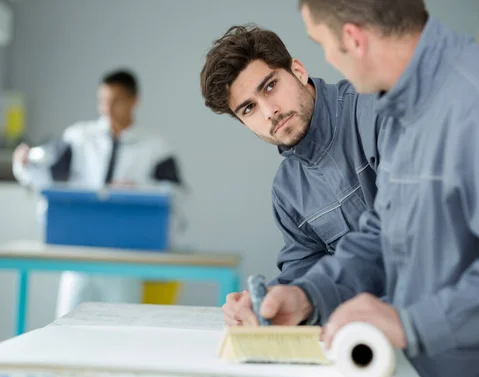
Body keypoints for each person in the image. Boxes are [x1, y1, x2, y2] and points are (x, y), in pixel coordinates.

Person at [254, 0, 479, 377]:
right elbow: (385, 234)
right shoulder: (408, 113)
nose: (327, 60)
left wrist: (410, 323)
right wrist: (308, 295)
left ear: (353, 39)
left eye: (322, 43)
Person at [199, 25, 381, 326]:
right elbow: (304, 270)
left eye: (269, 86)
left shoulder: (373, 110)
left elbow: (403, 229)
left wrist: (309, 295)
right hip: (366, 338)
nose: (269, 112)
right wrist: (268, 302)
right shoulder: (287, 191)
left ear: (297, 70)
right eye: (248, 109)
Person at [13, 69, 186, 319]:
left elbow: (176, 196)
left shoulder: (154, 146)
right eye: (102, 100)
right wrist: (24, 164)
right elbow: (49, 176)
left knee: (120, 328)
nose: (107, 108)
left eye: (115, 100)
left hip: (125, 256)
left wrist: (138, 191)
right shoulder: (79, 136)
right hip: (79, 252)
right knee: (67, 327)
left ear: (134, 101)